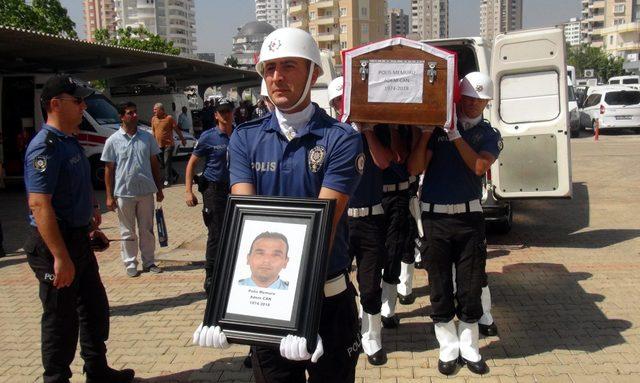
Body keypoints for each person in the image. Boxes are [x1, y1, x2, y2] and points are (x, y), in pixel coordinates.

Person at [193, 27, 363, 383]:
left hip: (328, 302)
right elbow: (245, 224)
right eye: (269, 68)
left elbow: (326, 226)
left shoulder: (341, 140)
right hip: (268, 302)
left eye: (288, 66)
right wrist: (225, 312)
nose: (277, 77)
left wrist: (301, 314)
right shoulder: (246, 137)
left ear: (314, 72)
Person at [23, 75, 134, 383]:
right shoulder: (43, 148)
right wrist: (60, 257)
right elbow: (39, 205)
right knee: (61, 319)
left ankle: (97, 370)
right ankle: (56, 378)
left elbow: (76, 188)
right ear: (56, 104)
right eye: (78, 101)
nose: (84, 106)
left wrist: (90, 220)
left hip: (78, 238)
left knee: (94, 309)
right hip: (53, 243)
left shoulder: (70, 141)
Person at [407, 71, 502, 376]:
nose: (474, 104)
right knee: (439, 285)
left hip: (469, 217)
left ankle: (470, 347)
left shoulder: (489, 134)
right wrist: (425, 133)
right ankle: (448, 347)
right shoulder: (438, 130)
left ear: (488, 101)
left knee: (471, 284)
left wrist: (456, 136)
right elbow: (415, 166)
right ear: (461, 98)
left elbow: (478, 166)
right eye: (470, 98)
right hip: (435, 217)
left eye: (480, 99)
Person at [328, 76, 392, 366]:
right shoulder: (329, 136)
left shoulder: (374, 131)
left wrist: (366, 132)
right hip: (340, 220)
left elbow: (383, 162)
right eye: (339, 102)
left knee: (369, 283)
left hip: (370, 219)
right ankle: (346, 332)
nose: (345, 106)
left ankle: (372, 336)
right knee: (336, 282)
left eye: (348, 101)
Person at [101, 101, 165, 277]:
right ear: (122, 117)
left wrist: (159, 189)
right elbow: (109, 169)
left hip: (146, 191)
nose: (134, 115)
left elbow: (155, 165)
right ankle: (130, 263)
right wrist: (108, 196)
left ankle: (149, 262)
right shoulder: (112, 141)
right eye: (130, 113)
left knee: (147, 229)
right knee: (127, 230)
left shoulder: (147, 137)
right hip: (124, 193)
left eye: (135, 112)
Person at [185, 98, 234, 293]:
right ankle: (211, 276)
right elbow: (191, 164)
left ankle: (229, 271)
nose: (226, 115)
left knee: (233, 232)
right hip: (214, 190)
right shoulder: (208, 137)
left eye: (228, 111)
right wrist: (188, 190)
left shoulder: (239, 133)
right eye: (222, 112)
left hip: (234, 189)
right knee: (215, 233)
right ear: (215, 115)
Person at [151, 102, 186, 186]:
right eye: (154, 109)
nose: (154, 111)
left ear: (161, 110)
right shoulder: (153, 119)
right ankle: (175, 174)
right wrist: (152, 143)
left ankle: (167, 180)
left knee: (167, 162)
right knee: (163, 164)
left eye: (155, 109)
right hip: (158, 145)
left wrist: (182, 139)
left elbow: (177, 130)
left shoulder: (169, 118)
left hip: (168, 145)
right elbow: (153, 131)